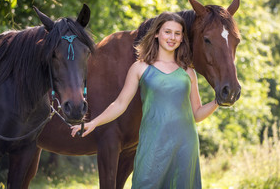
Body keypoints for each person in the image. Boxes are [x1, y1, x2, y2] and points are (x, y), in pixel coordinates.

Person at [71, 12, 219, 188]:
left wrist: (218, 101)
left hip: (185, 145)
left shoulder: (188, 72)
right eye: (167, 32)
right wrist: (93, 123)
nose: (172, 38)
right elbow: (120, 104)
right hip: (152, 143)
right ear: (157, 33)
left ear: (182, 38)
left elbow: (196, 114)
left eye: (177, 33)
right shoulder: (140, 68)